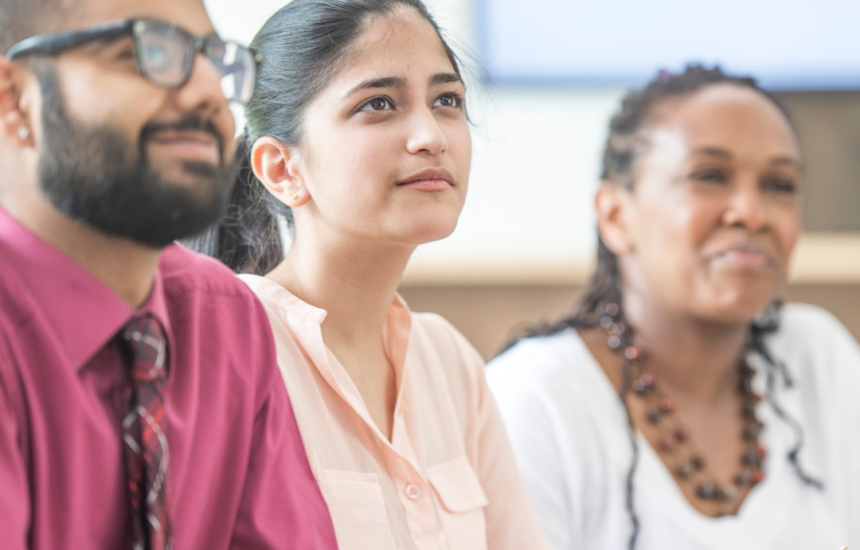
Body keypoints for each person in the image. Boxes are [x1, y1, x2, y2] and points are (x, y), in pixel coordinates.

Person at [189, 1, 549, 549]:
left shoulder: (450, 362)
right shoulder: (228, 346)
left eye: (446, 100)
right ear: (282, 169)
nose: (431, 135)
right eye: (378, 103)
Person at [0, 0, 338, 548]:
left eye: (214, 59)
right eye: (149, 51)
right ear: (15, 100)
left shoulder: (224, 321)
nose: (209, 93)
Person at [486, 66, 860, 550]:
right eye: (709, 176)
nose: (751, 212)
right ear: (616, 216)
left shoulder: (819, 359)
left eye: (779, 184)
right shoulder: (536, 399)